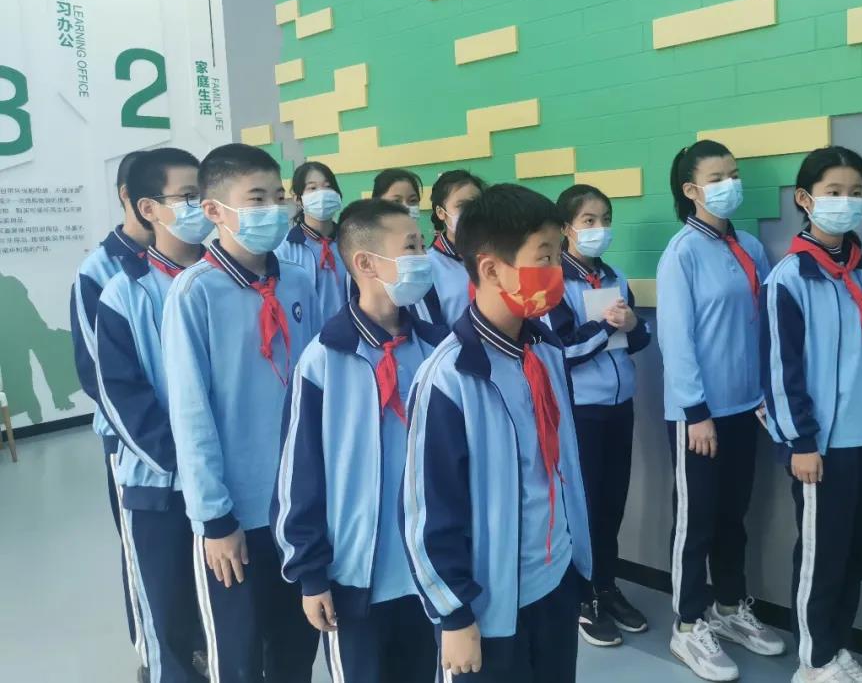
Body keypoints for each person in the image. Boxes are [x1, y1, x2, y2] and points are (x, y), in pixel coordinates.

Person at [402, 184, 592, 683]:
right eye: (544, 258)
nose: (557, 271)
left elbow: (560, 465)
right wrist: (454, 613)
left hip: (555, 580)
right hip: (492, 604)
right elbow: (429, 510)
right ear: (490, 269)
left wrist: (578, 561)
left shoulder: (546, 351)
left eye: (558, 255)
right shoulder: (448, 378)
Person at [163, 144, 320, 683]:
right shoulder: (195, 292)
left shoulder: (299, 281)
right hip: (237, 515)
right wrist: (215, 519)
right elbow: (191, 414)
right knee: (240, 657)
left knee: (296, 649)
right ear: (214, 210)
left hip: (298, 509)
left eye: (278, 197)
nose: (273, 209)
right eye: (256, 199)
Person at [271, 198, 445, 683]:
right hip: (356, 578)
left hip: (430, 574)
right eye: (411, 247)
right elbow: (300, 474)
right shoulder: (324, 361)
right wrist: (310, 573)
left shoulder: (438, 351)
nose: (423, 257)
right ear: (366, 263)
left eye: (422, 245)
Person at [760, 147, 862, 683]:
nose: (846, 202)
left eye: (856, 192)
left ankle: (836, 647)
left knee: (858, 553)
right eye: (834, 192)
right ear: (805, 199)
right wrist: (800, 442)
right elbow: (781, 372)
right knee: (822, 559)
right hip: (823, 448)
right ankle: (814, 662)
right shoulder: (789, 279)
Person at [657, 139, 784, 681]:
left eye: (734, 174)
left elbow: (763, 325)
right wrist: (695, 412)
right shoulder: (681, 253)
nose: (731, 184)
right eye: (717, 177)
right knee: (697, 520)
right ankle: (688, 624)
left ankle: (729, 607)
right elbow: (676, 339)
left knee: (734, 515)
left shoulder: (750, 246)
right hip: (699, 416)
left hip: (745, 408)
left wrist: (765, 395)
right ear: (692, 190)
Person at [95, 148, 213, 683]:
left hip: (231, 488)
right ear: (148, 208)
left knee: (236, 622)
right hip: (161, 488)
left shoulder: (229, 282)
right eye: (187, 196)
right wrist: (188, 464)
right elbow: (123, 398)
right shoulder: (125, 294)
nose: (198, 206)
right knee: (173, 622)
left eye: (203, 195)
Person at [546, 185, 651, 648]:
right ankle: (581, 595)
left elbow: (638, 341)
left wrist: (632, 325)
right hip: (581, 411)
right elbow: (562, 351)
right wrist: (606, 326)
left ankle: (606, 585)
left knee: (612, 503)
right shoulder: (553, 282)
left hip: (620, 406)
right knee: (584, 507)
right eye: (588, 220)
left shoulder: (614, 275)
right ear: (565, 228)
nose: (599, 228)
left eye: (605, 219)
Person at [69, 149, 153, 677]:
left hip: (193, 441)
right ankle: (150, 652)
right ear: (131, 197)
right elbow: (99, 375)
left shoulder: (192, 261)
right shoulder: (98, 271)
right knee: (142, 553)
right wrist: (162, 444)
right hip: (132, 442)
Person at [276, 162, 348, 326]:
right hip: (307, 336)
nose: (322, 193)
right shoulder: (284, 249)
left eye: (328, 187)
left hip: (350, 335)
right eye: (312, 188)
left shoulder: (350, 242)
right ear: (298, 199)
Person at [370, 168, 443, 325]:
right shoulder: (371, 262)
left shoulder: (425, 258)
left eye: (412, 201)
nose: (405, 207)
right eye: (396, 201)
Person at [428, 170, 484, 325]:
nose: (471, 212)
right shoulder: (428, 266)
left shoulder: (497, 255)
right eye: (462, 206)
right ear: (441, 212)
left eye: (476, 204)